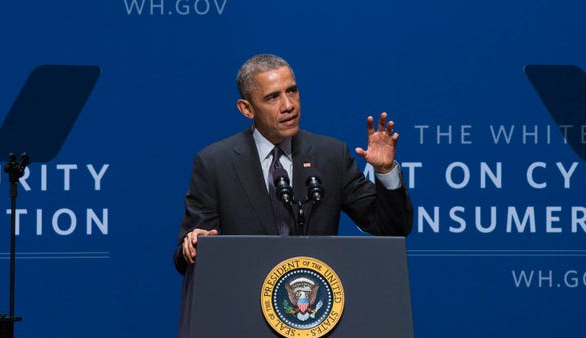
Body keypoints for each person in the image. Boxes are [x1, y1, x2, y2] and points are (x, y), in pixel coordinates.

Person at [173, 52, 413, 274]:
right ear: (246, 109)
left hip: (317, 298)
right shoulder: (215, 164)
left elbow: (391, 229)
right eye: (272, 97)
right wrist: (194, 244)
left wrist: (385, 171)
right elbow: (185, 257)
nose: (288, 105)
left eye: (292, 91)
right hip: (243, 298)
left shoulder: (331, 155)